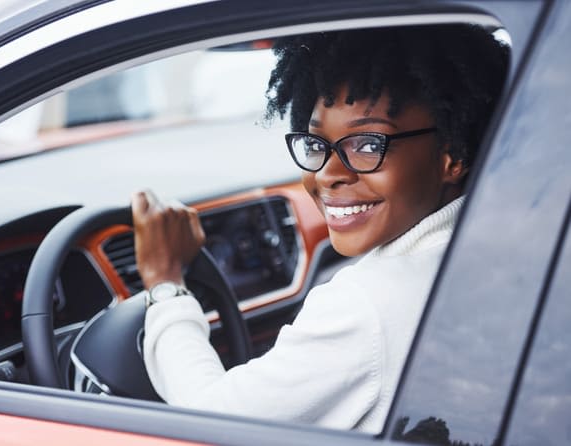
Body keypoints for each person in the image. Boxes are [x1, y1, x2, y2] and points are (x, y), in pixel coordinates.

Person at [131, 24, 508, 433]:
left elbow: (206, 419)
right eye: (316, 145)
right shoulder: (502, 244)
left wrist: (166, 287)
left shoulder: (367, 305)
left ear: (454, 154)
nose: (327, 175)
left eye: (367, 144)